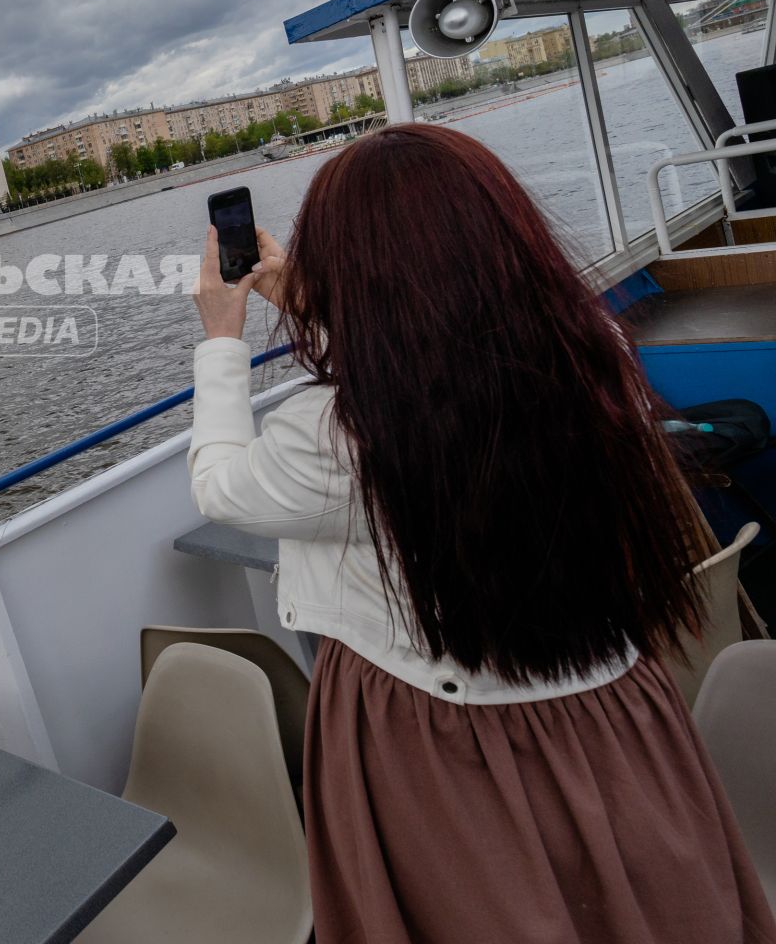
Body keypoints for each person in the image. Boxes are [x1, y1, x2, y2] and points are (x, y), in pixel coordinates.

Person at [189, 124, 773, 944]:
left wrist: (220, 341)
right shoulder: (591, 353)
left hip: (439, 740)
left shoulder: (337, 434)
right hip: (615, 711)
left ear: (356, 272)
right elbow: (450, 366)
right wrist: (324, 307)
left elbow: (221, 488)